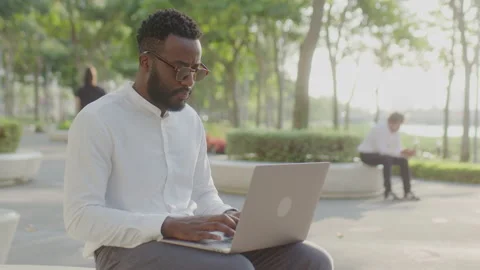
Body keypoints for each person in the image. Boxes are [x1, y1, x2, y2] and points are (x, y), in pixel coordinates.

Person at [63, 9, 333, 270]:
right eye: (181, 70)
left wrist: (230, 217)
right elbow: (80, 217)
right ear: (146, 62)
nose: (190, 81)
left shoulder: (189, 120)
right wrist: (165, 225)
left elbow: (204, 193)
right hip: (122, 251)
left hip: (188, 242)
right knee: (235, 269)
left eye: (196, 70)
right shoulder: (98, 120)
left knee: (311, 260)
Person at [357, 112, 419, 201]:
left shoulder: (395, 132)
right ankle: (388, 192)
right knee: (387, 159)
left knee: (403, 161)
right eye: (398, 124)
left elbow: (398, 148)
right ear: (391, 122)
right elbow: (383, 150)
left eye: (400, 125)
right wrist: (401, 153)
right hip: (367, 156)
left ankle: (407, 192)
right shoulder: (379, 129)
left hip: (382, 156)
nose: (399, 127)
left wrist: (405, 152)